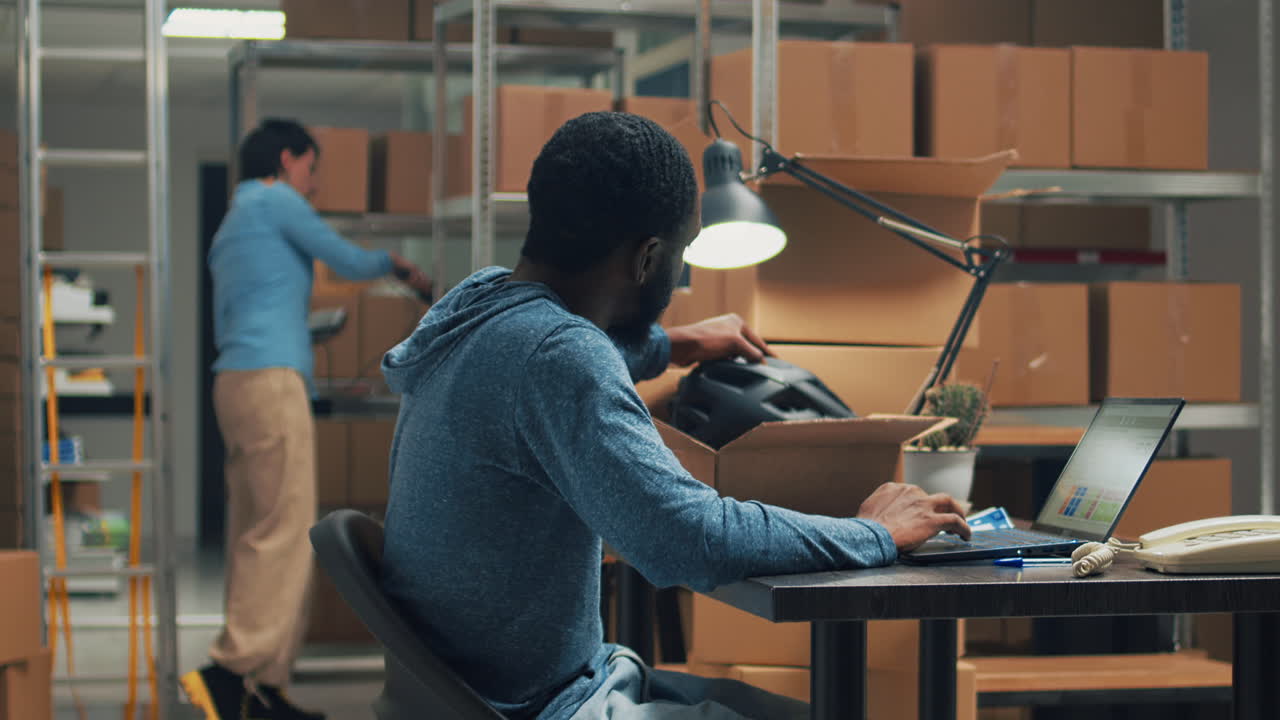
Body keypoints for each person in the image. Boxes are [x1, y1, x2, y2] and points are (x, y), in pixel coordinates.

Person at [378, 111, 971, 720]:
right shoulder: (558, 357)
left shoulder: (478, 305)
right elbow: (689, 539)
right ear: (647, 259)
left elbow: (560, 356)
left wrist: (674, 344)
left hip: (473, 690)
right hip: (545, 707)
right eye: (682, 252)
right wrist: (874, 533)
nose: (681, 270)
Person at [183, 119, 433, 720]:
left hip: (235, 383)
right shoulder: (273, 200)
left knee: (255, 530)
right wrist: (397, 265)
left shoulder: (235, 217)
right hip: (271, 383)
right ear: (288, 160)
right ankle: (227, 672)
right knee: (284, 532)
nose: (314, 186)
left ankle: (261, 691)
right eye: (312, 170)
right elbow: (342, 257)